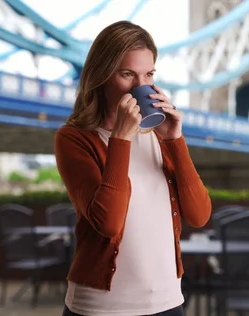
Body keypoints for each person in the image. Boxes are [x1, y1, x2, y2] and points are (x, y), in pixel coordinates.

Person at [54, 20, 212, 316]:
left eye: (149, 74)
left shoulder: (161, 136)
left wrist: (176, 140)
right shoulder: (74, 139)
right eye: (127, 74)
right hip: (100, 308)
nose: (141, 87)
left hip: (168, 304)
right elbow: (109, 222)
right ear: (101, 76)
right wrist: (121, 139)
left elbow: (199, 215)